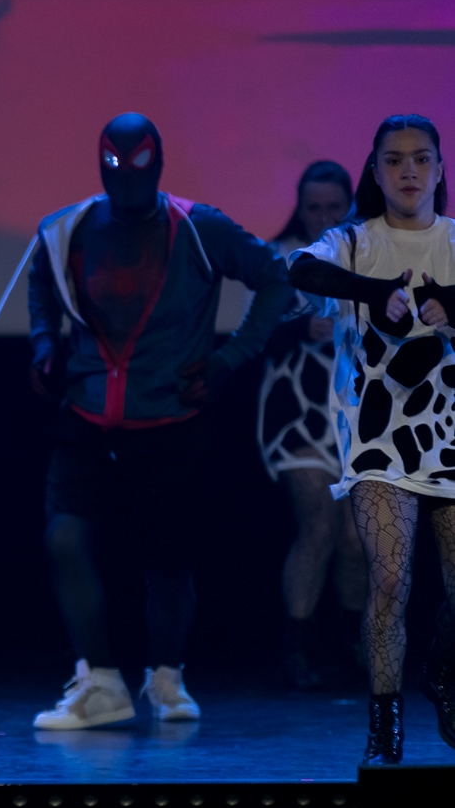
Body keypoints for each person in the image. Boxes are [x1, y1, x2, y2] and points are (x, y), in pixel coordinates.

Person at [27, 112, 293, 730]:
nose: (126, 176)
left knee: (167, 561)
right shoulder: (67, 229)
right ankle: (100, 683)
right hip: (87, 414)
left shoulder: (199, 227)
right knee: (64, 538)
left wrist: (229, 359)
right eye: (115, 164)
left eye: (138, 163)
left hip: (171, 420)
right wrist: (43, 343)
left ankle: (167, 677)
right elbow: (41, 281)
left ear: (159, 163)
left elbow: (275, 278)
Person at [287, 113, 455, 765]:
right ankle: (385, 730)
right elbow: (302, 270)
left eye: (421, 158)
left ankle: (441, 669)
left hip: (451, 436)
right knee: (388, 581)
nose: (408, 170)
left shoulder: (453, 241)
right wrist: (375, 291)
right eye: (394, 159)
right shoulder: (353, 242)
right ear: (376, 170)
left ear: (439, 168)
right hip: (380, 440)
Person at [258, 162, 366, 689]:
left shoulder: (368, 257)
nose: (324, 217)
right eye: (314, 208)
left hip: (357, 417)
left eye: (333, 207)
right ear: (299, 210)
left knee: (354, 539)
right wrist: (303, 327)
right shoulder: (279, 260)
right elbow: (253, 336)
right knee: (318, 523)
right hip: (297, 415)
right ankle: (296, 646)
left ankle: (350, 639)